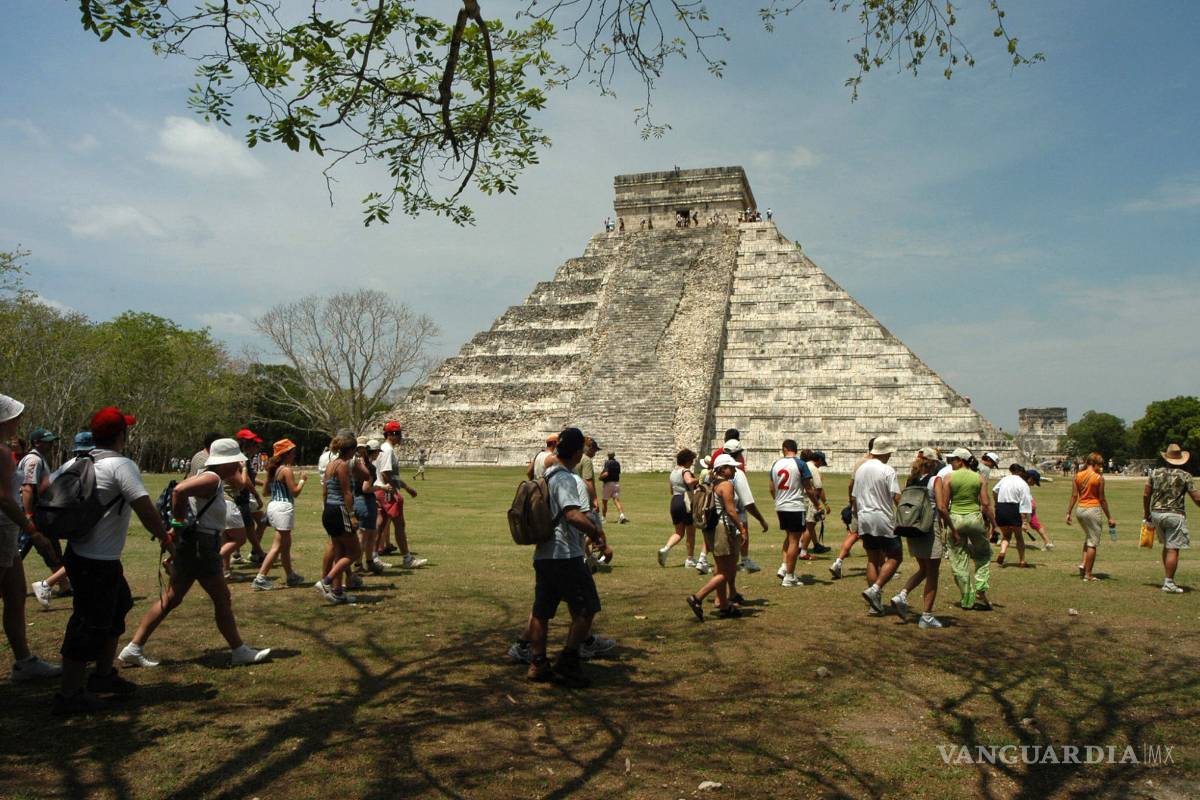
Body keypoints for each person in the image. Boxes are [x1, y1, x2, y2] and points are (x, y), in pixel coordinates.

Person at [119, 438, 271, 670]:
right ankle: (239, 650)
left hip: (196, 544)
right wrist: (177, 524)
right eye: (235, 462)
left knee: (172, 597)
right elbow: (179, 491)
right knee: (221, 598)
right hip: (201, 545)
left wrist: (178, 532)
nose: (237, 467)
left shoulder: (205, 475)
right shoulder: (211, 478)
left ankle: (134, 647)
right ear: (225, 462)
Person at [525, 428, 611, 687]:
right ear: (576, 452)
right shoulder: (563, 478)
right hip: (564, 554)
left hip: (545, 554)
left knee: (542, 611)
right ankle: (569, 660)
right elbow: (572, 515)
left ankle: (538, 663)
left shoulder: (547, 474)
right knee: (586, 608)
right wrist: (596, 533)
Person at [0, 395, 61, 684]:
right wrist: (32, 529)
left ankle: (23, 661)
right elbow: (5, 499)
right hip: (2, 530)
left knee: (16, 596)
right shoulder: (1, 455)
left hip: (7, 533)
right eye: (15, 417)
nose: (18, 421)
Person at [686, 454, 747, 620]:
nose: (734, 470)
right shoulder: (726, 485)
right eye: (731, 467)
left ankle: (723, 604)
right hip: (722, 528)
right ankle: (697, 598)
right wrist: (741, 528)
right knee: (727, 571)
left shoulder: (711, 482)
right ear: (722, 469)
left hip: (711, 528)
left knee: (720, 568)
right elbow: (731, 510)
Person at [892, 447, 946, 628]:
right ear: (932, 463)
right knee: (932, 573)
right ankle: (927, 616)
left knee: (923, 568)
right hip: (929, 529)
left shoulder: (911, 480)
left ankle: (902, 595)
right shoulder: (935, 480)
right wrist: (952, 528)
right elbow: (941, 507)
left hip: (912, 528)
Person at [20, 428, 73, 609]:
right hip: (31, 513)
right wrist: (28, 516)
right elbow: (27, 488)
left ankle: (64, 585)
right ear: (36, 442)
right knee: (22, 549)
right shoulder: (33, 460)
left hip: (38, 512)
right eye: (47, 441)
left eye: (52, 441)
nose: (51, 444)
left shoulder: (40, 459)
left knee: (48, 547)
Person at [939, 447, 996, 610]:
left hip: (955, 519)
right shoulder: (979, 478)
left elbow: (943, 506)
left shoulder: (949, 478)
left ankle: (967, 597)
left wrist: (948, 526)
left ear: (961, 460)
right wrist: (994, 525)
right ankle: (981, 584)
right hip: (974, 519)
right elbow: (985, 504)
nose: (950, 463)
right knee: (984, 553)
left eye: (953, 460)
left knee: (958, 559)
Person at [852, 438, 903, 615]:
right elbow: (896, 497)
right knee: (896, 556)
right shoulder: (887, 470)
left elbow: (854, 497)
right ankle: (875, 589)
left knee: (873, 558)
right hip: (883, 518)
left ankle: (875, 605)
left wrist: (856, 515)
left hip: (864, 517)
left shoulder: (860, 470)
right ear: (885, 452)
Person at [251, 439, 308, 590]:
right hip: (283, 507)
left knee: (285, 545)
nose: (294, 455)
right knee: (277, 545)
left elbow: (265, 492)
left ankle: (290, 575)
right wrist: (302, 480)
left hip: (274, 506)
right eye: (292, 452)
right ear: (286, 454)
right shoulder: (286, 470)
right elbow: (295, 492)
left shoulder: (274, 470)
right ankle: (261, 577)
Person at [1143, 444, 1200, 593]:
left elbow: (1146, 494)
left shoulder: (1155, 473)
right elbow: (1197, 498)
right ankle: (1169, 582)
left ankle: (1168, 577)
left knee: (1167, 546)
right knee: (1173, 548)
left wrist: (1146, 513)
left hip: (1156, 513)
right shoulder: (1185, 475)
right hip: (1175, 514)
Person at [314, 435, 363, 603]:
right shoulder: (342, 465)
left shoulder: (330, 464)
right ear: (351, 450)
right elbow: (347, 492)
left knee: (339, 551)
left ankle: (337, 591)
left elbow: (325, 491)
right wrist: (351, 516)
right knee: (355, 552)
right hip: (340, 510)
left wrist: (326, 507)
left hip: (329, 508)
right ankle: (326, 581)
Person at [373, 421, 426, 568]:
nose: (401, 437)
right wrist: (394, 491)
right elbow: (385, 474)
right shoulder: (387, 450)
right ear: (391, 435)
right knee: (399, 524)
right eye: (399, 434)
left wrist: (407, 487)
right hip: (387, 491)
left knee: (381, 524)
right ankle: (407, 558)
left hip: (381, 490)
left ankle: (373, 557)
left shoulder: (384, 449)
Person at [769, 440, 819, 587]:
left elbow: (771, 488)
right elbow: (809, 489)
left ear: (784, 449)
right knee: (794, 541)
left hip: (781, 506)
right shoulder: (800, 464)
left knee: (789, 536)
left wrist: (778, 500)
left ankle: (785, 566)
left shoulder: (775, 464)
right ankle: (789, 576)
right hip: (795, 506)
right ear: (795, 450)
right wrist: (818, 505)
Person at [830, 438, 876, 579]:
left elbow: (851, 485)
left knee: (853, 534)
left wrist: (852, 502)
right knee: (878, 536)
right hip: (873, 505)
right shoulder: (878, 464)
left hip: (858, 503)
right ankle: (880, 567)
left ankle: (837, 562)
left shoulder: (859, 463)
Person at [1065, 452, 1115, 582]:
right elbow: (1102, 499)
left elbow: (1074, 496)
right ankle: (1088, 574)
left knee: (1088, 537)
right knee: (1093, 542)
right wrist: (1110, 516)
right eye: (1100, 464)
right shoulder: (1098, 478)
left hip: (1080, 510)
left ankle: (1083, 564)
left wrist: (1068, 512)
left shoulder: (1077, 476)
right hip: (1093, 509)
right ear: (1095, 464)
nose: (1101, 467)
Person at [657, 449, 701, 567]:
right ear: (686, 461)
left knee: (679, 532)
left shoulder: (673, 472)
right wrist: (700, 479)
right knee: (690, 533)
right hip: (685, 501)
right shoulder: (685, 471)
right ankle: (690, 559)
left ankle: (665, 549)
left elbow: (671, 490)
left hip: (675, 501)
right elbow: (689, 481)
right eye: (691, 460)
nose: (692, 462)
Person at [351, 437, 388, 575]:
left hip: (363, 501)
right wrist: (382, 488)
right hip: (364, 501)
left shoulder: (357, 464)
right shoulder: (368, 467)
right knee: (364, 536)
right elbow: (366, 488)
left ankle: (369, 562)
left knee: (370, 534)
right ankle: (358, 565)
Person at [994, 464, 1034, 568]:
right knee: (1019, 537)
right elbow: (1025, 502)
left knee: (1006, 535)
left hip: (1001, 508)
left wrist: (996, 503)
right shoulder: (1023, 484)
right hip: (1014, 509)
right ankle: (1022, 561)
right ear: (1020, 472)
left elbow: (994, 490)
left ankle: (1002, 551)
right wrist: (1024, 521)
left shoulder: (1004, 479)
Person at [800, 449, 832, 556]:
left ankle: (802, 546)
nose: (821, 466)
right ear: (818, 460)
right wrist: (821, 504)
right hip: (810, 499)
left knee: (804, 525)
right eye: (821, 463)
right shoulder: (814, 469)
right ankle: (803, 552)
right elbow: (818, 488)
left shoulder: (803, 465)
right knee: (811, 525)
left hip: (801, 498)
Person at [1024, 470, 1053, 550]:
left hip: (1026, 505)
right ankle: (1048, 543)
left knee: (1016, 524)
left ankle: (1004, 540)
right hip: (1031, 503)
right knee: (1035, 524)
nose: (1034, 484)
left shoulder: (1022, 484)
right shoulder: (1024, 484)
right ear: (1030, 478)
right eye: (1034, 481)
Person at [599, 452, 628, 524]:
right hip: (616, 483)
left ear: (608, 455)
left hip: (608, 483)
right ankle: (622, 515)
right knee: (616, 500)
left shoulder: (608, 463)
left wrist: (600, 477)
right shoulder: (617, 463)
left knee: (604, 501)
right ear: (614, 455)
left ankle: (603, 518)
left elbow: (606, 473)